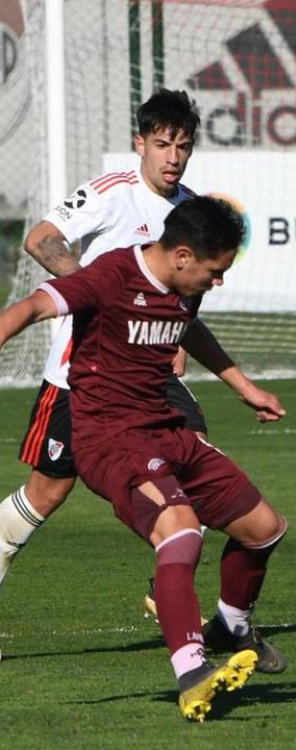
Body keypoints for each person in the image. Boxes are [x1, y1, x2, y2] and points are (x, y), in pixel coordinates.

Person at [0, 197, 288, 720]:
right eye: (215, 271)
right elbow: (31, 308)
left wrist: (243, 386)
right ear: (182, 256)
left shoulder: (185, 289)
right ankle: (192, 673)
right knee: (180, 532)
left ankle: (231, 625)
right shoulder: (111, 276)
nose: (219, 281)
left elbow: (188, 328)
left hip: (165, 427)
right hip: (109, 438)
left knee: (264, 528)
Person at [0, 90, 210, 627]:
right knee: (48, 491)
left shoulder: (191, 209)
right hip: (80, 373)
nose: (173, 158)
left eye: (183, 147)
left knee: (196, 458)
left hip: (149, 374)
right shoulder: (112, 192)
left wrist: (176, 337)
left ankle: (169, 588)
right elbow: (41, 239)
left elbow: (182, 288)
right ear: (140, 144)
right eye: (162, 144)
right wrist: (102, 293)